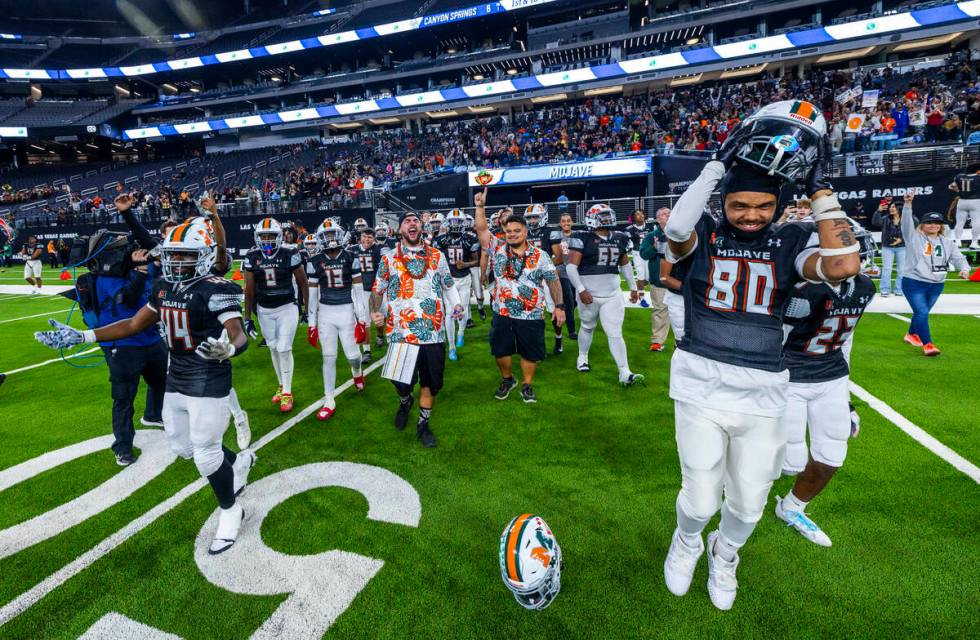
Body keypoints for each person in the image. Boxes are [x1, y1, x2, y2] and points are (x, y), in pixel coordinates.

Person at [661, 100, 862, 611]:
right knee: (701, 495)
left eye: (762, 206)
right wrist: (716, 164)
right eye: (739, 205)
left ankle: (724, 553)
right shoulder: (702, 234)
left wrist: (818, 186)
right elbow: (676, 230)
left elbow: (842, 264)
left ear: (777, 206)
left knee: (749, 504)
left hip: (765, 390)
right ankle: (687, 540)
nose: (751, 215)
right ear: (723, 203)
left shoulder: (789, 239)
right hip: (700, 384)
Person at [35, 217, 256, 555]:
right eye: (173, 254)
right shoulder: (163, 286)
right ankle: (239, 462)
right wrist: (84, 335)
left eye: (185, 255)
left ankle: (231, 511)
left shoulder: (217, 287)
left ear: (205, 255)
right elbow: (134, 323)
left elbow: (238, 332)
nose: (176, 261)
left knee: (206, 456)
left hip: (209, 376)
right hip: (176, 375)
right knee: (184, 448)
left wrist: (228, 348)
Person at [776, 265, 876, 547]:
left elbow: (846, 341)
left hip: (832, 376)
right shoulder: (802, 289)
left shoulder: (865, 288)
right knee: (788, 460)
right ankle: (739, 497)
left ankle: (792, 507)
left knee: (832, 453)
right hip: (790, 376)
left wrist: (846, 399)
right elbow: (774, 338)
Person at [369, 211, 463, 448]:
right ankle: (405, 401)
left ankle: (423, 424)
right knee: (400, 382)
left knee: (431, 383)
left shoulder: (437, 256)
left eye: (415, 221)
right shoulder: (389, 259)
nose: (412, 224)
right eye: (406, 221)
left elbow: (449, 286)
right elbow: (377, 290)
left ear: (421, 227)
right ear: (399, 229)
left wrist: (458, 303)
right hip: (400, 332)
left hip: (432, 332)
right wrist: (375, 311)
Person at [474, 189, 564, 403]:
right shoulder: (496, 248)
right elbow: (482, 230)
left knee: (530, 352)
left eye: (516, 230)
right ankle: (508, 379)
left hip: (531, 313)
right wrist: (479, 207)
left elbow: (553, 280)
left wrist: (558, 306)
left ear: (525, 232)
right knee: (500, 350)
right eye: (508, 231)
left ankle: (527, 384)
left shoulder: (540, 255)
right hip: (502, 311)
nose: (512, 234)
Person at [86, 232, 168, 466]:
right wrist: (141, 272)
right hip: (121, 345)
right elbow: (128, 299)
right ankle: (122, 447)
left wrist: (150, 265)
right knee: (124, 398)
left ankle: (153, 414)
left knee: (162, 381)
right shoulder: (105, 277)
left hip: (150, 338)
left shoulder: (144, 267)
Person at [565, 203, 644, 386]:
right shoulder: (581, 237)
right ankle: (582, 357)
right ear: (592, 219)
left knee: (615, 332)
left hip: (612, 293)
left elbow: (624, 265)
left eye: (609, 215)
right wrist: (581, 289)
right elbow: (571, 267)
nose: (607, 219)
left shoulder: (620, 237)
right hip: (589, 293)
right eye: (603, 216)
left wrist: (633, 287)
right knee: (587, 326)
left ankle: (624, 371)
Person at [242, 218, 309, 412]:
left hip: (287, 307)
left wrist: (306, 310)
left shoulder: (290, 252)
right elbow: (249, 291)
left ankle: (287, 391)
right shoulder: (252, 255)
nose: (267, 240)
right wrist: (247, 318)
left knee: (284, 348)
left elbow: (303, 283)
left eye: (271, 235)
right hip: (264, 309)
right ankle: (281, 385)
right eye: (264, 236)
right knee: (272, 347)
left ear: (279, 236)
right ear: (257, 237)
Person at [306, 218, 367, 421]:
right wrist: (311, 324)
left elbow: (358, 292)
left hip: (347, 310)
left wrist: (362, 320)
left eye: (333, 234)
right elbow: (312, 297)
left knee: (353, 356)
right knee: (328, 357)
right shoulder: (314, 261)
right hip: (325, 313)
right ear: (321, 239)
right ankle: (329, 399)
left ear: (340, 235)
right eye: (326, 236)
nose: (331, 239)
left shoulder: (351, 257)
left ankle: (357, 371)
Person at [898, 194, 972, 356]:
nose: (933, 225)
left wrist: (964, 269)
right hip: (914, 282)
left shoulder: (947, 242)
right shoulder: (913, 237)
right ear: (923, 225)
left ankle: (911, 334)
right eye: (929, 223)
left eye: (937, 223)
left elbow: (958, 258)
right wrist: (908, 204)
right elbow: (906, 223)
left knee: (921, 313)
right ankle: (928, 344)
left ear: (941, 226)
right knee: (922, 312)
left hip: (937, 284)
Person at [433, 209, 480, 361]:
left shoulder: (470, 239)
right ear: (448, 222)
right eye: (452, 221)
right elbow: (435, 261)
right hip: (448, 281)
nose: (455, 224)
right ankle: (452, 347)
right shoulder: (440, 240)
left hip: (464, 279)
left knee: (464, 308)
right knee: (449, 314)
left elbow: (476, 260)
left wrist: (465, 263)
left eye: (458, 221)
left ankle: (461, 332)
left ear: (463, 222)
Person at [523, 204, 565, 354]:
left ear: (543, 217)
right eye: (529, 218)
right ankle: (533, 341)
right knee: (528, 310)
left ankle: (558, 337)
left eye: (535, 217)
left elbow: (559, 258)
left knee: (553, 309)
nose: (532, 220)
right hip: (528, 279)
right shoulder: (523, 233)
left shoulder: (551, 232)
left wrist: (541, 269)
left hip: (546, 277)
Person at [348, 226, 384, 363]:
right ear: (360, 237)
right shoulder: (352, 250)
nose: (366, 239)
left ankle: (380, 335)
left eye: (369, 237)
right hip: (360, 290)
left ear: (374, 239)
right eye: (364, 236)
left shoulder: (379, 249)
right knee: (364, 320)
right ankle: (367, 350)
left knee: (379, 316)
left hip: (376, 289)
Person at [638, 207, 671, 351]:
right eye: (664, 214)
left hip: (679, 279)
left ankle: (681, 340)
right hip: (659, 280)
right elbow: (644, 254)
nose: (668, 215)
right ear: (658, 219)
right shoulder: (652, 235)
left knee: (682, 311)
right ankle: (658, 341)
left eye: (669, 213)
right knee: (660, 310)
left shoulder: (681, 233)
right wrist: (654, 247)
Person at [872, 199, 905, 296]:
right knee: (886, 268)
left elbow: (912, 231)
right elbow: (875, 223)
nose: (891, 208)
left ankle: (899, 289)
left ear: (900, 208)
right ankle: (885, 289)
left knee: (902, 269)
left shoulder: (908, 218)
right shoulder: (886, 218)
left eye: (893, 207)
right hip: (887, 247)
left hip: (902, 247)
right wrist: (879, 211)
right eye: (890, 207)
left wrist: (901, 239)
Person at [554, 213, 578, 339]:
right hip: (562, 271)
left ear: (572, 222)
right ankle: (572, 331)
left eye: (568, 220)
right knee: (569, 298)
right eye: (563, 221)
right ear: (560, 223)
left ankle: (562, 309)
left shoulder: (578, 235)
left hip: (575, 271)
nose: (566, 223)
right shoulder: (556, 236)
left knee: (575, 300)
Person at [949, 163, 980, 248]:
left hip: (962, 201)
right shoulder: (978, 177)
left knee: (959, 223)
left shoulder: (959, 176)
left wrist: (959, 191)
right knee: (976, 223)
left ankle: (958, 242)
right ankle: (974, 243)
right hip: (976, 201)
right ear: (977, 170)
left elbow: (951, 186)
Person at [625, 209, 652, 308]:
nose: (640, 216)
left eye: (641, 214)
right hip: (638, 254)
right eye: (637, 214)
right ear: (633, 218)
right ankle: (642, 299)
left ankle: (636, 292)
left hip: (650, 253)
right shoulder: (629, 229)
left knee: (648, 279)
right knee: (641, 276)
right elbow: (627, 243)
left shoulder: (651, 226)